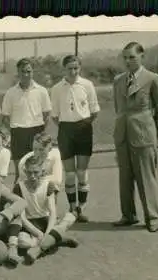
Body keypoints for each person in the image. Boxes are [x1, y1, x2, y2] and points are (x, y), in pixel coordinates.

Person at [112, 42, 158, 232]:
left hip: (143, 136)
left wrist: (153, 130)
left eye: (132, 57)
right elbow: (118, 108)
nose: (128, 61)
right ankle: (128, 215)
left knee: (146, 177)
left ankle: (152, 218)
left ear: (142, 56)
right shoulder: (118, 80)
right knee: (125, 177)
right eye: (126, 57)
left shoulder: (153, 79)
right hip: (122, 136)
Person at [50, 55, 100, 222]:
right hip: (65, 130)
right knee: (70, 174)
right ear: (64, 69)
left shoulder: (87, 85)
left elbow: (94, 111)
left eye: (75, 68)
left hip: (84, 129)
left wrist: (82, 125)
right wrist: (67, 127)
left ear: (80, 68)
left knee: (81, 172)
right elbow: (55, 116)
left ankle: (82, 208)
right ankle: (72, 208)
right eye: (69, 68)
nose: (73, 71)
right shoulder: (56, 88)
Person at [12, 155, 78, 256]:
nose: (32, 176)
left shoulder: (48, 185)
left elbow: (52, 213)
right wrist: (38, 233)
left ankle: (47, 240)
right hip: (30, 224)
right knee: (22, 242)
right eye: (29, 172)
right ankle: (56, 239)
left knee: (70, 218)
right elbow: (22, 218)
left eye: (36, 172)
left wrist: (46, 233)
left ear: (42, 172)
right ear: (25, 171)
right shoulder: (18, 188)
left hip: (46, 221)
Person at [2, 58, 52, 182]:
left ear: (32, 72)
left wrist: (40, 133)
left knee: (38, 171)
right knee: (21, 172)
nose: (26, 74)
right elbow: (5, 117)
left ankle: (39, 200)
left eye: (28, 71)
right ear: (18, 73)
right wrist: (16, 130)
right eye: (22, 71)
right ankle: (20, 201)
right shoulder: (10, 93)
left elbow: (47, 114)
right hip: (18, 133)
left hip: (37, 133)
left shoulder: (42, 91)